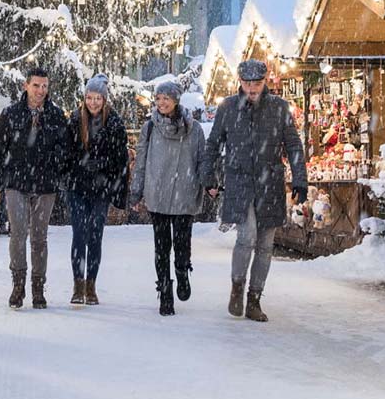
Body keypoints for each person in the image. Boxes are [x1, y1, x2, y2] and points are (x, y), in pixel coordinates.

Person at [203, 59, 307, 323]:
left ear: (265, 82)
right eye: (247, 83)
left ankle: (254, 298)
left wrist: (300, 179)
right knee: (246, 236)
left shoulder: (279, 108)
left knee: (265, 245)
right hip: (239, 181)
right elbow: (213, 145)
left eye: (256, 84)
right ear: (240, 82)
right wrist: (209, 178)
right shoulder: (228, 107)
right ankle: (237, 287)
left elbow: (293, 145)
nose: (251, 89)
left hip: (270, 182)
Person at [0, 68, 70, 309]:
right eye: (36, 86)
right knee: (18, 233)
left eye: (45, 86)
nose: (41, 90)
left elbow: (65, 149)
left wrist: (56, 167)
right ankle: (18, 283)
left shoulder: (55, 115)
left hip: (45, 184)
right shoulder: (11, 114)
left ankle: (38, 286)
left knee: (40, 238)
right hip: (16, 183)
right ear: (26, 86)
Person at [130, 79, 207, 316]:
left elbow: (202, 159)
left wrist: (208, 182)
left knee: (182, 245)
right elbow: (141, 160)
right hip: (158, 192)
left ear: (176, 100)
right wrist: (136, 190)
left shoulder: (193, 129)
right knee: (161, 247)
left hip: (184, 192)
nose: (161, 103)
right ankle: (165, 291)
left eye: (166, 98)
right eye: (158, 98)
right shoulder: (150, 127)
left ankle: (182, 272)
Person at [66, 74, 128, 305]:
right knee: (79, 234)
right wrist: (79, 162)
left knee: (95, 236)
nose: (93, 102)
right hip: (78, 187)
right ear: (84, 98)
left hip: (101, 188)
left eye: (97, 98)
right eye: (89, 98)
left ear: (104, 99)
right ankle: (77, 284)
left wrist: (103, 165)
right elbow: (66, 153)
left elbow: (120, 158)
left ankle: (91, 284)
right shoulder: (74, 120)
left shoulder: (114, 123)